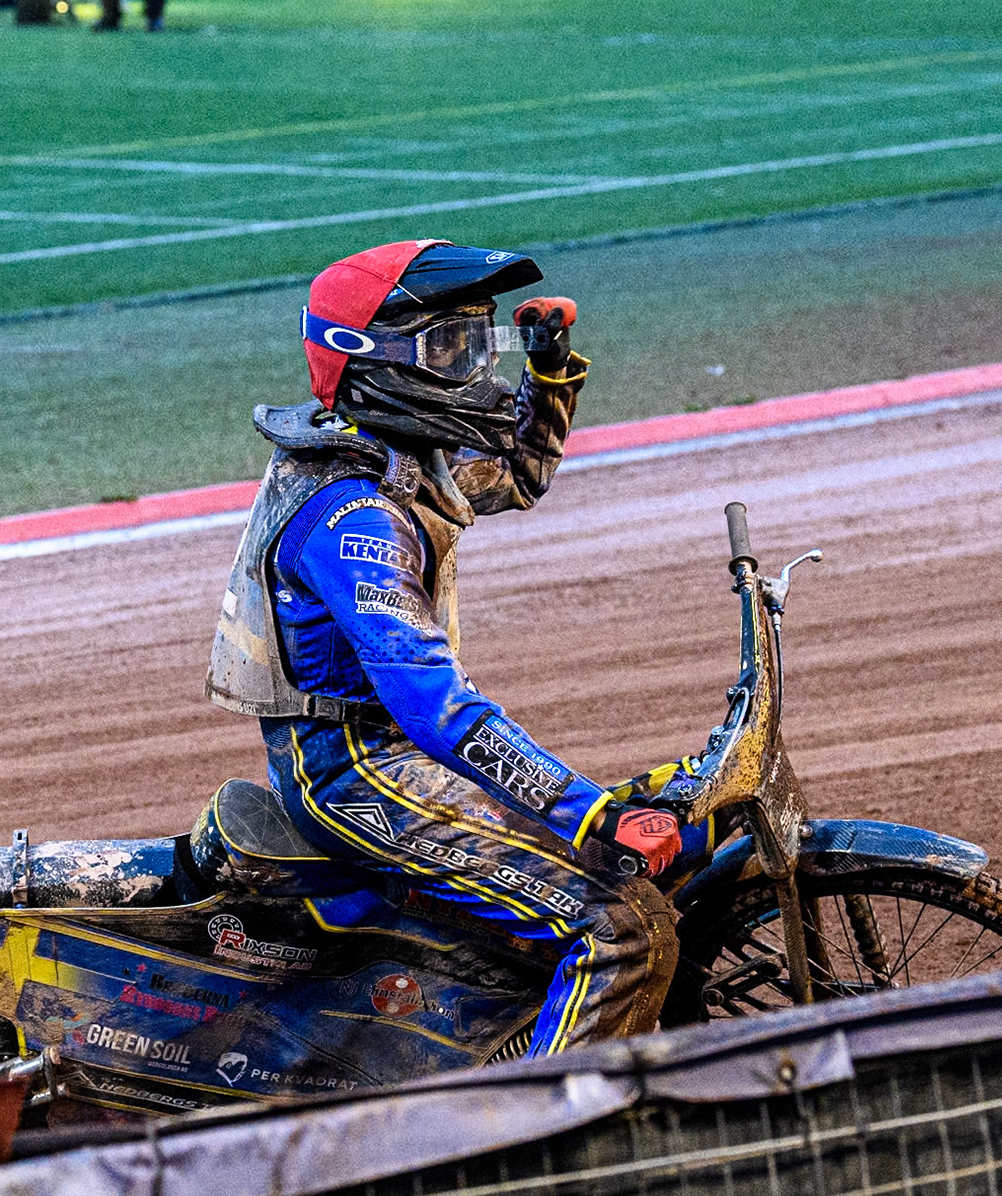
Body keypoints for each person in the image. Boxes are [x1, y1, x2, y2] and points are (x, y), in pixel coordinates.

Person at [207, 240, 685, 1056]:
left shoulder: (396, 458)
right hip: (358, 771)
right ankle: (545, 1143)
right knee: (617, 929)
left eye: (478, 343)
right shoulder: (353, 517)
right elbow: (435, 707)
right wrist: (593, 812)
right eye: (452, 350)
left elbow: (520, 475)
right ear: (376, 361)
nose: (476, 374)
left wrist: (550, 372)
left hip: (382, 755)